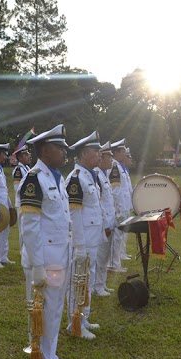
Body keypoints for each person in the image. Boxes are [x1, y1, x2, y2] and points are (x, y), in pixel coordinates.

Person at [19, 124, 78, 359]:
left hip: (60, 255)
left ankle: (50, 357)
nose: (65, 153)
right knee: (43, 311)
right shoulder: (34, 179)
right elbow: (29, 227)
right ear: (45, 150)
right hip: (44, 258)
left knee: (54, 310)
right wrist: (37, 265)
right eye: (61, 148)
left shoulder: (56, 177)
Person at [65, 131, 104, 340]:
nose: (99, 155)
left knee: (88, 277)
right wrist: (79, 245)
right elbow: (74, 214)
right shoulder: (76, 178)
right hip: (82, 239)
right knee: (78, 280)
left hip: (93, 237)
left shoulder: (90, 175)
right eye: (95, 151)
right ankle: (75, 323)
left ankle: (84, 317)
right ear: (83, 154)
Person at [93, 142, 116, 296]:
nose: (111, 161)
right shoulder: (96, 175)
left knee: (105, 256)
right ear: (101, 158)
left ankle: (102, 283)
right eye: (108, 157)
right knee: (100, 257)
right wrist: (105, 225)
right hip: (103, 224)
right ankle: (97, 286)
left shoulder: (104, 175)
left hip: (110, 221)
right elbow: (99, 203)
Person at [107, 139, 131, 273]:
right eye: (122, 152)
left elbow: (125, 189)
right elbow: (115, 190)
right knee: (116, 236)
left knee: (120, 236)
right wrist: (118, 209)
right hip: (119, 208)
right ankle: (113, 264)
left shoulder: (120, 166)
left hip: (124, 206)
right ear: (116, 153)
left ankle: (116, 262)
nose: (124, 154)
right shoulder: (114, 166)